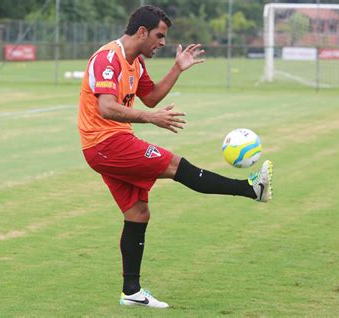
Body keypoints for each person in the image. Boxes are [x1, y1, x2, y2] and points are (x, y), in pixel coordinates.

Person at [78, 5, 273, 309]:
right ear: (141, 32)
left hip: (111, 143)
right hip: (105, 142)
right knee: (175, 165)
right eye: (159, 35)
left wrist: (178, 67)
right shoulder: (108, 59)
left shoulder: (136, 62)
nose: (163, 42)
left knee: (138, 212)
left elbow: (152, 96)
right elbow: (106, 107)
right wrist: (150, 118)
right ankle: (251, 189)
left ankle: (131, 292)